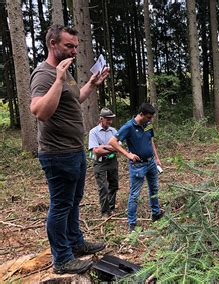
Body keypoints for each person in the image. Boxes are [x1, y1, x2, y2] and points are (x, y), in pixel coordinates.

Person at [30, 24, 108, 274]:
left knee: (74, 201)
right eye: (69, 46)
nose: (74, 51)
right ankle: (62, 259)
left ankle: (76, 242)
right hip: (57, 153)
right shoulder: (44, 74)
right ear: (53, 44)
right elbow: (40, 111)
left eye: (76, 46)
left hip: (74, 150)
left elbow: (75, 98)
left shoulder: (65, 71)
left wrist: (92, 84)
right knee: (61, 204)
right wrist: (58, 79)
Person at [108, 103, 164, 232]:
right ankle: (132, 224)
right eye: (148, 117)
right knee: (134, 195)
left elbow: (150, 141)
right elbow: (112, 141)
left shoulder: (147, 125)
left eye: (151, 118)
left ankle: (156, 214)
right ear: (141, 114)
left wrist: (156, 158)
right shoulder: (129, 126)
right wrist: (127, 154)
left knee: (154, 188)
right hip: (138, 166)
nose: (150, 120)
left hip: (151, 163)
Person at [88, 108, 119, 217]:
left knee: (114, 184)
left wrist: (103, 147)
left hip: (112, 161)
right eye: (107, 119)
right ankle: (105, 211)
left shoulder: (114, 131)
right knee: (103, 187)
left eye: (111, 119)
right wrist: (111, 147)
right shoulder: (94, 132)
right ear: (101, 119)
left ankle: (111, 207)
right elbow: (96, 151)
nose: (110, 122)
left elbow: (118, 148)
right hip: (99, 162)